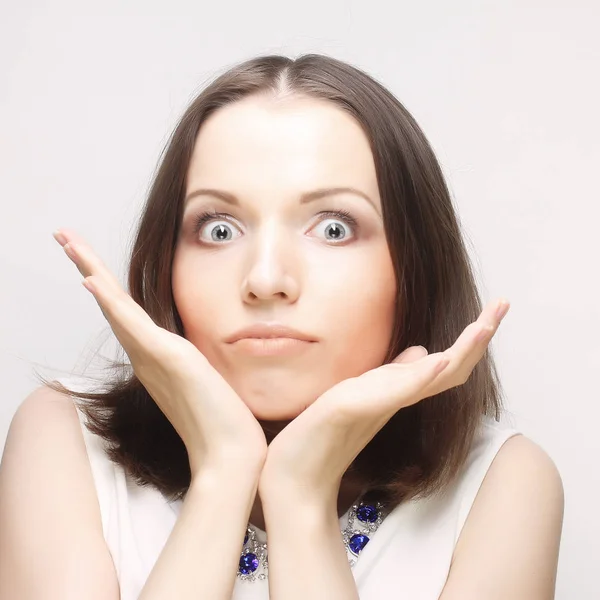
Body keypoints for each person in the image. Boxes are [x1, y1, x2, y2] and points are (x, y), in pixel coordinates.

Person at [0, 53, 564, 600]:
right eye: (219, 229)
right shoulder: (67, 441)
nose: (266, 279)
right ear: (167, 260)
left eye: (334, 228)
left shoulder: (502, 485)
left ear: (415, 264)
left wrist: (301, 496)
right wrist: (223, 471)